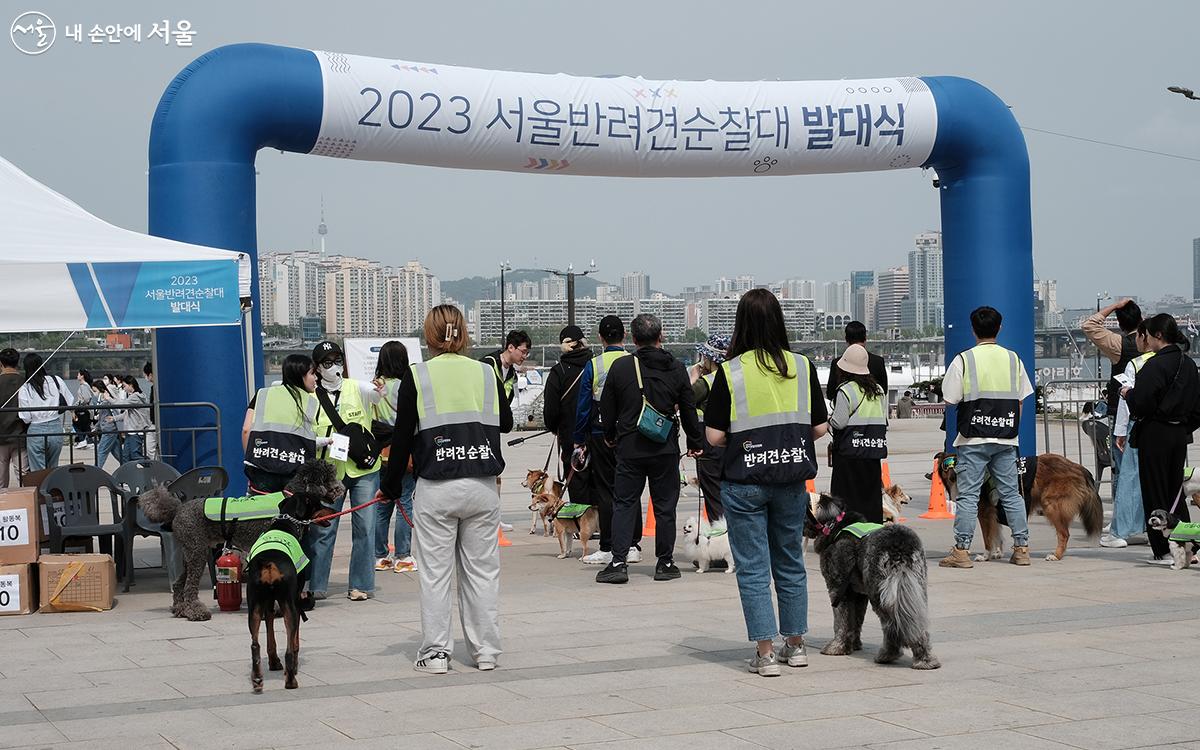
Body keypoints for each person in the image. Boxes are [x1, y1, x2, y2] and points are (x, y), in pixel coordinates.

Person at [376, 305, 513, 674]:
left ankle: (436, 653)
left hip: (437, 487)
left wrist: (388, 488)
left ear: (429, 335)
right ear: (464, 333)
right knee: (483, 573)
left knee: (436, 576)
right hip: (483, 486)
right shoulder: (486, 372)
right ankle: (486, 651)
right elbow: (508, 421)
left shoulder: (416, 377)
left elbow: (402, 440)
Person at [702, 289, 829, 676]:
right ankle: (797, 645)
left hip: (744, 482)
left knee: (754, 568)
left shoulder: (730, 371)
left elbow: (713, 436)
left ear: (742, 324)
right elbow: (821, 427)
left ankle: (765, 652)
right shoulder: (803, 366)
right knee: (790, 561)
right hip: (791, 480)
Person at [594, 313, 703, 585]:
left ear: (633, 339)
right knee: (665, 506)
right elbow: (688, 408)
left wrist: (610, 435)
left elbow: (607, 408)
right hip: (664, 447)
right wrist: (695, 442)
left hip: (629, 447)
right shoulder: (677, 368)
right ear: (661, 336)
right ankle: (665, 563)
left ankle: (618, 562)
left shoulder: (621, 367)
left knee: (625, 503)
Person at [939, 306, 1035, 569]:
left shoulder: (964, 360)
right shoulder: (1013, 359)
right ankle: (1022, 548)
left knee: (968, 496)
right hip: (1006, 437)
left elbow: (950, 399)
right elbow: (1021, 400)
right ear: (999, 328)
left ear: (973, 329)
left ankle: (961, 551)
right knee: (1012, 494)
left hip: (973, 438)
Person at [307, 340, 382, 602]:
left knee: (365, 526)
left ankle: (360, 584)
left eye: (337, 360)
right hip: (329, 472)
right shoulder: (310, 397)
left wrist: (381, 388)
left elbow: (377, 394)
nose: (334, 367)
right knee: (323, 527)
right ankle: (316, 584)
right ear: (316, 368)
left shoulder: (356, 388)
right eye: (327, 363)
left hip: (363, 470)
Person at [1123, 313, 1200, 565]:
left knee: (1155, 491)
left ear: (1157, 336)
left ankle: (1163, 549)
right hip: (1179, 434)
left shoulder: (1154, 365)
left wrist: (1128, 393)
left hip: (1155, 433)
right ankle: (1190, 546)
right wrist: (1183, 425)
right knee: (1175, 492)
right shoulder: (1188, 364)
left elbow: (1142, 403)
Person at [573, 315, 639, 566]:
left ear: (600, 338)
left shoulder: (594, 364)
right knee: (630, 490)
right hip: (630, 433)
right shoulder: (634, 361)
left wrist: (579, 439)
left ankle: (609, 545)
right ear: (624, 336)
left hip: (600, 434)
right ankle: (632, 545)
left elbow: (583, 406)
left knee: (606, 491)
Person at [1102, 324, 1154, 548]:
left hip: (1137, 426)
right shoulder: (1177, 361)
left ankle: (1119, 532)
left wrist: (1120, 432)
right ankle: (1150, 525)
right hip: (1165, 429)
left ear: (1145, 337)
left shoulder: (1137, 363)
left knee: (1129, 480)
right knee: (1155, 480)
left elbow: (1126, 404)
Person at [1083, 298, 1142, 493]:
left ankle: (1121, 515)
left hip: (1122, 412)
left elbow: (1089, 325)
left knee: (1121, 465)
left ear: (1120, 323)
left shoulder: (1119, 344)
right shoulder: (1153, 344)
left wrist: (1114, 306)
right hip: (1150, 411)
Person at [242, 354, 321, 494]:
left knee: (259, 513)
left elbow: (246, 430)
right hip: (295, 474)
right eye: (312, 373)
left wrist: (252, 460)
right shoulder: (312, 403)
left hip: (262, 471)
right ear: (299, 374)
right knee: (293, 514)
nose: (316, 378)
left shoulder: (262, 394)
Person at [371, 341, 417, 573]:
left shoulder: (374, 387)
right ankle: (403, 556)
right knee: (405, 503)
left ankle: (380, 556)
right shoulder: (407, 386)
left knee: (382, 505)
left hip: (380, 454)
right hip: (405, 452)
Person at [829, 344, 888, 524]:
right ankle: (872, 534)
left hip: (849, 455)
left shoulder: (846, 390)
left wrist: (827, 419)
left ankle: (848, 533)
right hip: (872, 453)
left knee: (846, 498)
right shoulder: (878, 390)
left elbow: (839, 422)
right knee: (870, 497)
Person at [542, 325, 592, 503]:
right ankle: (602, 525)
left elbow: (550, 410)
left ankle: (581, 526)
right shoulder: (596, 365)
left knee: (576, 481)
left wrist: (554, 427)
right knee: (599, 482)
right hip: (598, 435)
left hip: (571, 437)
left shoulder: (559, 371)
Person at [690, 334, 731, 522]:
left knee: (714, 497)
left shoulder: (706, 381)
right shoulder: (734, 375)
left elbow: (682, 399)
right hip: (732, 442)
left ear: (710, 358)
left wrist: (693, 377)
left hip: (709, 445)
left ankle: (720, 540)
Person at [18, 353, 69, 472]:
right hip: (55, 427)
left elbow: (25, 417)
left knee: (38, 470)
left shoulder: (25, 388)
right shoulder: (56, 380)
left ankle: (41, 490)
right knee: (53, 467)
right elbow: (68, 401)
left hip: (36, 429)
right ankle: (53, 489)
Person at [826, 321, 889, 403]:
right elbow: (883, 391)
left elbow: (830, 394)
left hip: (846, 413)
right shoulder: (878, 362)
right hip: (873, 412)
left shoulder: (837, 363)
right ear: (865, 338)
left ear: (846, 339)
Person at [480, 331, 531, 405]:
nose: (525, 356)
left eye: (527, 353)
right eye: (523, 352)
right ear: (510, 347)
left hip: (498, 416)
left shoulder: (513, 376)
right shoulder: (488, 364)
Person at [0, 349, 26, 487]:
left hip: (1, 436)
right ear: (17, 362)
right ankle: (29, 504)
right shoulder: (24, 381)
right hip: (20, 435)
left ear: (1, 364)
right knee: (24, 475)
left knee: (1, 479)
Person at [116, 376, 151, 463]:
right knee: (125, 457)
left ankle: (150, 466)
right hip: (130, 431)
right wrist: (114, 418)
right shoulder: (133, 396)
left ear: (131, 385)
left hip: (136, 431)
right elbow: (126, 413)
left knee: (135, 455)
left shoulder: (135, 397)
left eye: (124, 386)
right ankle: (126, 475)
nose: (124, 389)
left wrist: (109, 398)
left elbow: (121, 405)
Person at [92, 381, 121, 470]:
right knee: (117, 453)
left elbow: (103, 417)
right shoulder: (104, 400)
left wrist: (97, 427)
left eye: (94, 391)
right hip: (110, 429)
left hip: (109, 430)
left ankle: (95, 471)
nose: (94, 394)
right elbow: (102, 418)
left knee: (101, 451)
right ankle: (128, 466)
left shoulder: (105, 401)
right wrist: (96, 428)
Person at [71, 369, 94, 449]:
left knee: (76, 424)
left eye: (78, 374)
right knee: (85, 426)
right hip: (86, 410)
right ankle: (89, 441)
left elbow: (85, 399)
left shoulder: (84, 386)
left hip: (83, 409)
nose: (77, 376)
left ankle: (82, 440)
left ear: (82, 376)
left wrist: (75, 405)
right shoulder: (86, 385)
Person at [143, 362, 158, 460]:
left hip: (156, 423)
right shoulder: (155, 387)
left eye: (145, 375)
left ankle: (157, 466)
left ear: (150, 375)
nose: (145, 378)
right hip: (154, 422)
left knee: (150, 447)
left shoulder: (155, 388)